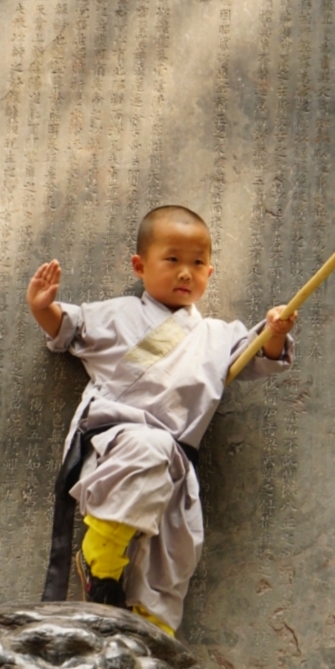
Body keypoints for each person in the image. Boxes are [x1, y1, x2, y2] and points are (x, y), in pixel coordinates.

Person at [28, 204, 296, 635]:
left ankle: (147, 643)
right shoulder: (119, 314)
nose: (185, 273)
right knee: (148, 449)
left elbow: (259, 355)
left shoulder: (218, 335)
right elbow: (68, 328)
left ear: (211, 271)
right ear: (140, 265)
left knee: (173, 557)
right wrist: (43, 308)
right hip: (119, 440)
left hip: (175, 461)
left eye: (197, 263)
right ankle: (101, 560)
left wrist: (275, 333)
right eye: (172, 260)